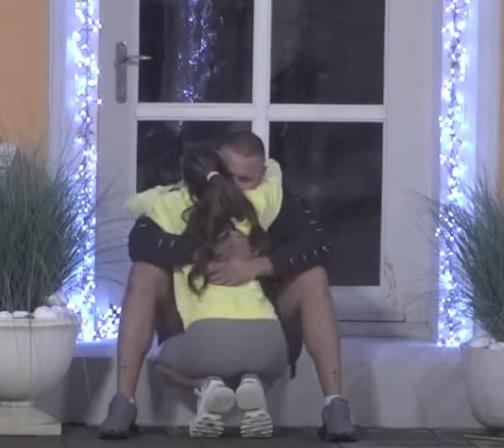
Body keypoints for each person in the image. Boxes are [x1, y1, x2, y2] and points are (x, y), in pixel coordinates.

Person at [99, 131, 357, 442]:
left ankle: (335, 405)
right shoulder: (188, 195)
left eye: (244, 180)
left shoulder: (269, 200)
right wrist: (204, 254)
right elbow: (140, 242)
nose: (232, 187)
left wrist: (257, 265)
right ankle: (123, 402)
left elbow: (320, 246)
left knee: (313, 277)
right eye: (226, 175)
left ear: (262, 175)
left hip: (261, 318)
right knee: (144, 272)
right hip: (189, 318)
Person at [126, 147, 287, 437]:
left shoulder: (171, 207)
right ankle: (253, 383)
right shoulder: (252, 205)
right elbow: (274, 175)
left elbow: (133, 205)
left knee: (159, 360)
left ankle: (207, 385)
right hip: (271, 342)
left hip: (208, 340)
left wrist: (173, 189)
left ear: (186, 180)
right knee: (261, 364)